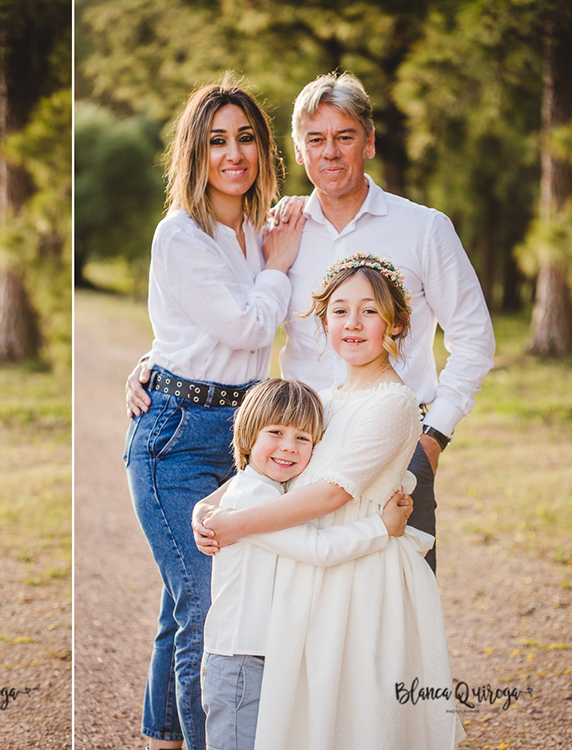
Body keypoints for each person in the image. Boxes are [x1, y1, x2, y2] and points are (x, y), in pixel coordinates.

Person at [128, 71, 496, 573]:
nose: (331, 153)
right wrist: (157, 360)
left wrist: (434, 436)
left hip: (392, 452)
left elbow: (475, 339)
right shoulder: (278, 229)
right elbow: (218, 308)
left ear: (368, 142)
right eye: (316, 140)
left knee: (396, 607)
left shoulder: (424, 229)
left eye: (345, 137)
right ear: (298, 151)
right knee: (301, 622)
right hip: (299, 456)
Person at [195, 254, 465, 749]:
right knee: (305, 715)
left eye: (368, 311)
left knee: (349, 712)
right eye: (339, 311)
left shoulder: (394, 401)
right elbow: (273, 468)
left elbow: (330, 493)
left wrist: (238, 524)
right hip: (313, 562)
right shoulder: (327, 396)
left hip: (356, 575)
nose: (353, 323)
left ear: (397, 323)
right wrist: (209, 504)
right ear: (324, 321)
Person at [122, 74, 307, 750]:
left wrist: (149, 353)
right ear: (194, 154)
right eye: (217, 141)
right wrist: (278, 269)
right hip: (175, 435)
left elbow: (191, 329)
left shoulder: (265, 226)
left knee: (184, 601)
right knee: (207, 599)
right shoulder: (182, 235)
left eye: (247, 138)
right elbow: (247, 328)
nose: (234, 153)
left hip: (239, 435)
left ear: (262, 148)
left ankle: (161, 735)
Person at [201, 377, 414, 750]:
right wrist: (381, 526)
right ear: (249, 436)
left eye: (303, 439)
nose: (289, 447)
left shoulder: (275, 491)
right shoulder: (251, 497)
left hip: (265, 653)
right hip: (240, 659)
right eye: (276, 433)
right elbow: (318, 548)